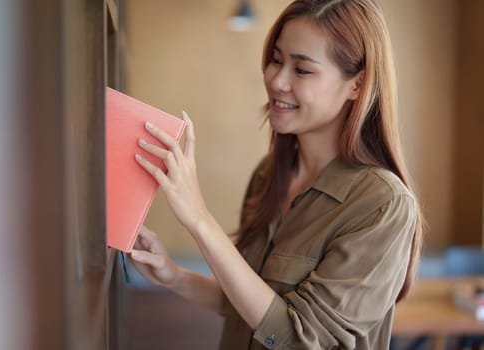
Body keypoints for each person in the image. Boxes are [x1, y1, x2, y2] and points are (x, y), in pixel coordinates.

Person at [130, 0, 423, 348]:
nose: (276, 80)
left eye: (302, 70)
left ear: (357, 85)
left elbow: (298, 339)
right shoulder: (268, 175)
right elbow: (252, 304)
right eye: (277, 60)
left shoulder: (382, 205)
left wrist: (199, 219)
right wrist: (173, 276)